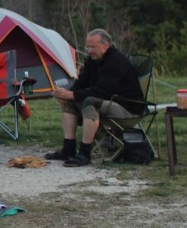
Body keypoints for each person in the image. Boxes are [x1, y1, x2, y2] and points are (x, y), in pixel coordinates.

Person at [48, 28, 145, 167]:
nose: (88, 50)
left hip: (128, 107)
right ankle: (68, 149)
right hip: (109, 102)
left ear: (105, 45)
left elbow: (103, 91)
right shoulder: (92, 60)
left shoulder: (116, 60)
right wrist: (65, 94)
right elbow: (81, 83)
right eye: (87, 46)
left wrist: (73, 95)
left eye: (92, 47)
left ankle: (85, 153)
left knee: (90, 102)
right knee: (69, 102)